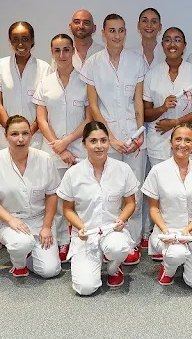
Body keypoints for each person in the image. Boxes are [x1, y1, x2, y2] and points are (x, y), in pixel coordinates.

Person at [80, 13, 147, 265]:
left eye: (120, 30)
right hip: (105, 137)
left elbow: (138, 102)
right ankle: (109, 239)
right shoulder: (93, 63)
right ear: (103, 33)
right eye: (112, 30)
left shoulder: (136, 61)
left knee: (134, 191)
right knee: (110, 191)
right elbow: (94, 106)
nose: (116, 35)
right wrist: (111, 139)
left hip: (134, 137)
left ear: (125, 32)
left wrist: (139, 133)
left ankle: (131, 243)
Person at [142, 27, 192, 256]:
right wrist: (163, 109)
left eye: (177, 40)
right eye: (168, 40)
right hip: (159, 141)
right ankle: (162, 236)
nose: (173, 44)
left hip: (187, 140)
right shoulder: (152, 74)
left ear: (184, 45)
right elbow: (145, 113)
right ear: (162, 45)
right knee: (164, 191)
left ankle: (189, 233)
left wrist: (175, 122)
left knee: (189, 189)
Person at [58, 121, 138, 295]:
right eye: (93, 141)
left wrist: (122, 219)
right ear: (84, 144)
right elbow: (68, 209)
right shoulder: (73, 174)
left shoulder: (122, 169)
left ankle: (114, 267)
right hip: (86, 233)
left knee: (118, 248)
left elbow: (130, 203)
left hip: (113, 230)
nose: (99, 146)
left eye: (103, 140)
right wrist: (80, 227)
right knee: (85, 288)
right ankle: (96, 260)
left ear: (109, 142)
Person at [33, 34, 92, 262]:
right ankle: (61, 241)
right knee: (56, 200)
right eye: (57, 50)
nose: (62, 55)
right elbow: (42, 120)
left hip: (79, 149)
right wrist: (59, 147)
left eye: (66, 50)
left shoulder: (84, 81)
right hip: (53, 151)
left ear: (73, 52)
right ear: (52, 52)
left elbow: (89, 118)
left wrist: (67, 142)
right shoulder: (45, 84)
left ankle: (81, 240)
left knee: (80, 198)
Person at [142, 124, 192, 288]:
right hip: (168, 230)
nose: (182, 144)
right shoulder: (158, 171)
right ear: (171, 142)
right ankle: (168, 268)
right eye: (178, 139)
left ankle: (185, 259)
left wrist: (189, 229)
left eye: (188, 140)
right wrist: (164, 230)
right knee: (176, 254)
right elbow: (153, 208)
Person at [0, 115, 61, 278]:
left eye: (25, 133)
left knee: (50, 271)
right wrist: (10, 220)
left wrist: (47, 226)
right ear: (6, 136)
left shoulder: (44, 159)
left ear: (31, 135)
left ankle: (28, 253)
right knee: (21, 243)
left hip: (40, 220)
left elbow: (52, 194)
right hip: (10, 220)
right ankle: (19, 264)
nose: (20, 139)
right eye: (14, 134)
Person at [0, 21, 51, 150]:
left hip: (36, 138)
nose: (20, 44)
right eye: (15, 39)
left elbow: (46, 106)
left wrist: (28, 132)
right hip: (6, 137)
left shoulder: (45, 68)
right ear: (10, 41)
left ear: (32, 40)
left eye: (25, 39)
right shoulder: (1, 66)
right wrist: (12, 130)